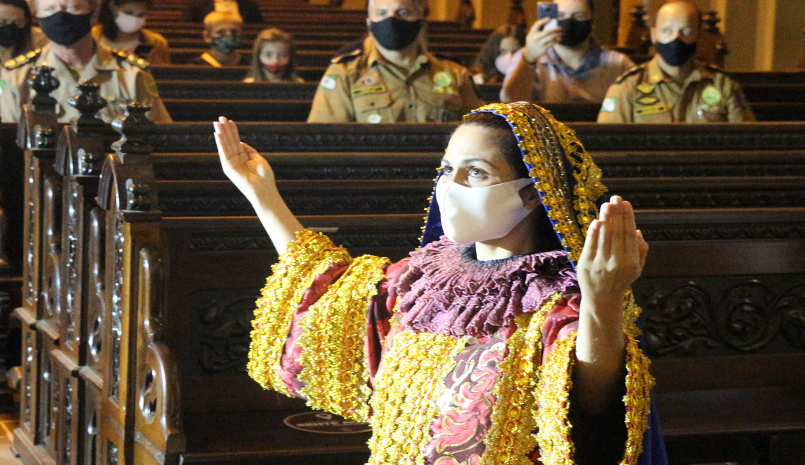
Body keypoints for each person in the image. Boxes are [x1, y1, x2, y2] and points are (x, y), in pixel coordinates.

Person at [214, 101, 667, 464]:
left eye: (477, 172)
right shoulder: (422, 281)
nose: (452, 186)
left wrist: (602, 297)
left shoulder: (554, 298)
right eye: (448, 170)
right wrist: (261, 194)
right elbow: (330, 291)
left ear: (533, 193)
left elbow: (592, 405)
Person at [0, 0, 172, 124]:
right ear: (38, 16)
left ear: (93, 12)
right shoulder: (17, 76)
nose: (59, 16)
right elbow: (9, 145)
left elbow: (159, 133)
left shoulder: (132, 74)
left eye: (71, 7)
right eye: (50, 9)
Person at [308, 0, 482, 123]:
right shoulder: (345, 73)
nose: (391, 20)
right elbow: (325, 137)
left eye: (403, 12)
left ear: (421, 23)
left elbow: (479, 132)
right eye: (381, 13)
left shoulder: (455, 73)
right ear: (370, 25)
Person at [598, 0, 755, 123]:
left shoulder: (721, 85)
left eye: (685, 31)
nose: (675, 39)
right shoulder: (629, 87)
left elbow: (746, 141)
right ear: (654, 35)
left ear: (699, 36)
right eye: (667, 31)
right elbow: (608, 144)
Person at [501, 0, 634, 104]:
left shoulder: (617, 64)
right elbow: (510, 101)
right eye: (561, 16)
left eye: (579, 16)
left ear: (593, 21)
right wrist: (529, 58)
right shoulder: (530, 58)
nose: (569, 22)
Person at [93, 0, 170, 66]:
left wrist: (155, 65)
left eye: (141, 15)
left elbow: (165, 75)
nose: (134, 19)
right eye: (128, 13)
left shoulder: (156, 42)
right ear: (113, 7)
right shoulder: (93, 37)